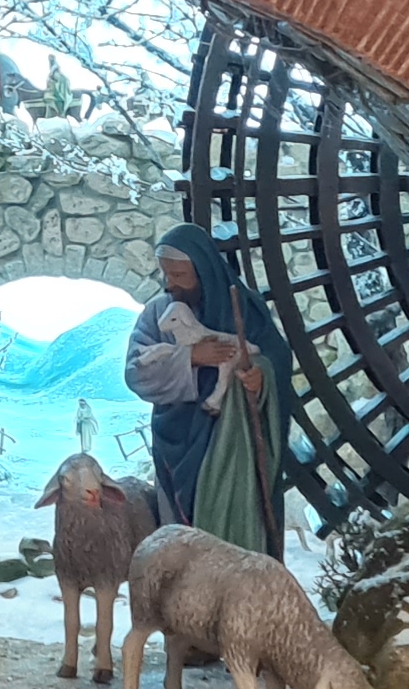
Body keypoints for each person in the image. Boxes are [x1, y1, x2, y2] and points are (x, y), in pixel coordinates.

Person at [123, 222, 289, 557]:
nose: (169, 284)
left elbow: (278, 361)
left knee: (236, 535)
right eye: (166, 274)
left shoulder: (244, 309)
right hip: (179, 440)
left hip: (234, 446)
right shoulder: (158, 313)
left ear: (204, 270)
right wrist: (191, 357)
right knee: (184, 540)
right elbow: (136, 373)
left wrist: (261, 378)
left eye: (179, 276)